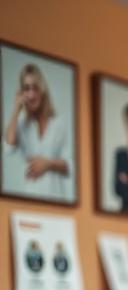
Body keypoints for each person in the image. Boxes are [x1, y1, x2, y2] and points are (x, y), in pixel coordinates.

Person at [3, 63, 72, 201]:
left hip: (57, 199)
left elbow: (70, 166)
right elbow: (8, 147)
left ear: (42, 90)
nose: (31, 94)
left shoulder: (59, 124)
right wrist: (16, 110)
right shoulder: (22, 125)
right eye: (26, 89)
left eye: (35, 88)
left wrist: (48, 164)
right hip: (30, 197)